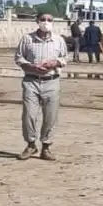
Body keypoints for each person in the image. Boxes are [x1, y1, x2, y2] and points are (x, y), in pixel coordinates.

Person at [13, 12, 68, 161]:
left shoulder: (58, 40)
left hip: (52, 81)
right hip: (31, 81)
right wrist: (32, 67)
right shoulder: (27, 39)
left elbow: (64, 58)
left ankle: (46, 147)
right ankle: (31, 145)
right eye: (43, 19)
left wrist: (55, 63)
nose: (46, 22)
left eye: (49, 20)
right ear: (37, 21)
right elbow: (19, 58)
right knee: (29, 115)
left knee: (50, 116)